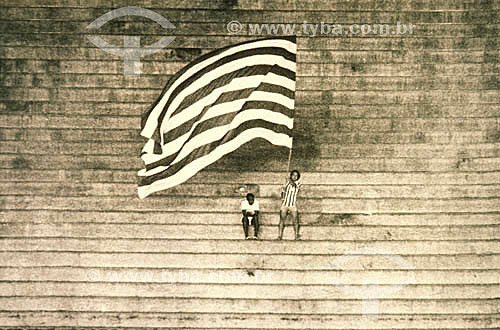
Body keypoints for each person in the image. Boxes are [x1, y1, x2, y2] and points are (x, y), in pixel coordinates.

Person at [278, 169, 301, 240]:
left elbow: (294, 185)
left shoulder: (298, 183)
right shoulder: (287, 183)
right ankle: (279, 235)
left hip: (292, 205)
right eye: (293, 175)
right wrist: (282, 199)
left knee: (295, 220)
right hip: (285, 204)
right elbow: (283, 191)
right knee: (282, 220)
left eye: (296, 176)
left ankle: (296, 235)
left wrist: (288, 180)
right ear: (291, 175)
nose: (294, 177)